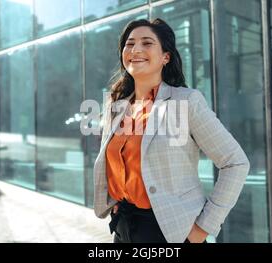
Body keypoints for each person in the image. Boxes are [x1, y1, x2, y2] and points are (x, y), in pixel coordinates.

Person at [93, 18, 250, 243]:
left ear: (165, 57)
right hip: (124, 228)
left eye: (147, 43)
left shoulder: (186, 101)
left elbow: (235, 163)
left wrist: (203, 228)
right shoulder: (116, 106)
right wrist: (118, 198)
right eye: (129, 44)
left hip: (171, 233)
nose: (136, 49)